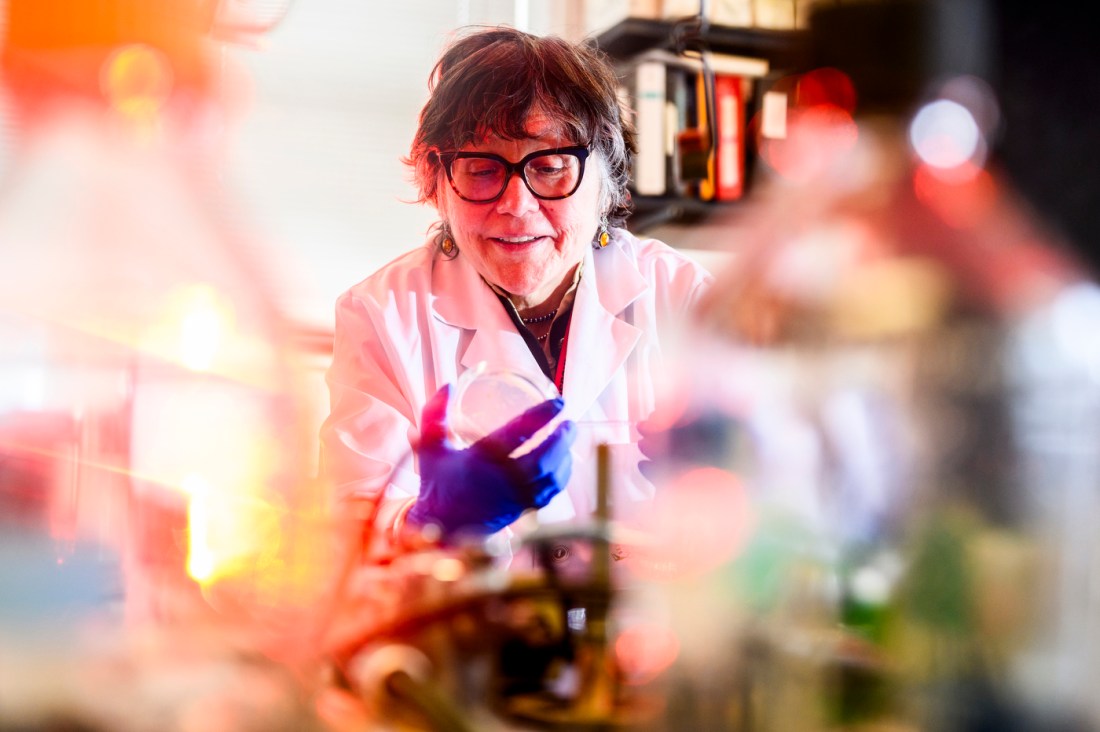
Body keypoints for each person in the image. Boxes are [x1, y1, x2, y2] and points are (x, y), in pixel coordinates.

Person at [319, 26, 713, 552]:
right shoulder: (383, 315)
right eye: (482, 169)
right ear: (438, 183)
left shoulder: (679, 296)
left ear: (607, 178)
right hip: (468, 626)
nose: (515, 204)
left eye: (549, 167)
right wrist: (431, 521)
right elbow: (349, 537)